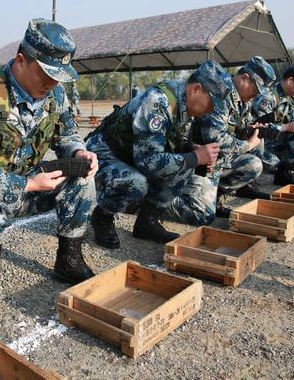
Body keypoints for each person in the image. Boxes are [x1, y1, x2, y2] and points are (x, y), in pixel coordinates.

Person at [0, 19, 98, 285]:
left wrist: (78, 152)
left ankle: (69, 259)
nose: (52, 83)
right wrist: (27, 184)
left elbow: (67, 134)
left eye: (58, 77)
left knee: (83, 177)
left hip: (34, 180)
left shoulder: (55, 95)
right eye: (46, 74)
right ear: (21, 60)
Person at [86, 60, 231, 249]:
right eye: (212, 103)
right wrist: (196, 157)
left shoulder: (186, 106)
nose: (213, 110)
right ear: (196, 89)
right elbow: (148, 161)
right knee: (136, 182)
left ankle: (148, 222)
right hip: (104, 155)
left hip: (132, 155)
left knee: (185, 163)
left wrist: (194, 151)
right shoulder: (158, 102)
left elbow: (175, 142)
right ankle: (102, 216)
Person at [193, 56, 277, 218]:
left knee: (254, 163)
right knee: (202, 216)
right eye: (255, 90)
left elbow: (237, 127)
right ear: (245, 78)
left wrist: (250, 130)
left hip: (217, 155)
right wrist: (248, 144)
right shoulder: (221, 93)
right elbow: (215, 137)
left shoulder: (242, 100)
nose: (255, 96)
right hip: (199, 155)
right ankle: (199, 192)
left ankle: (217, 192)